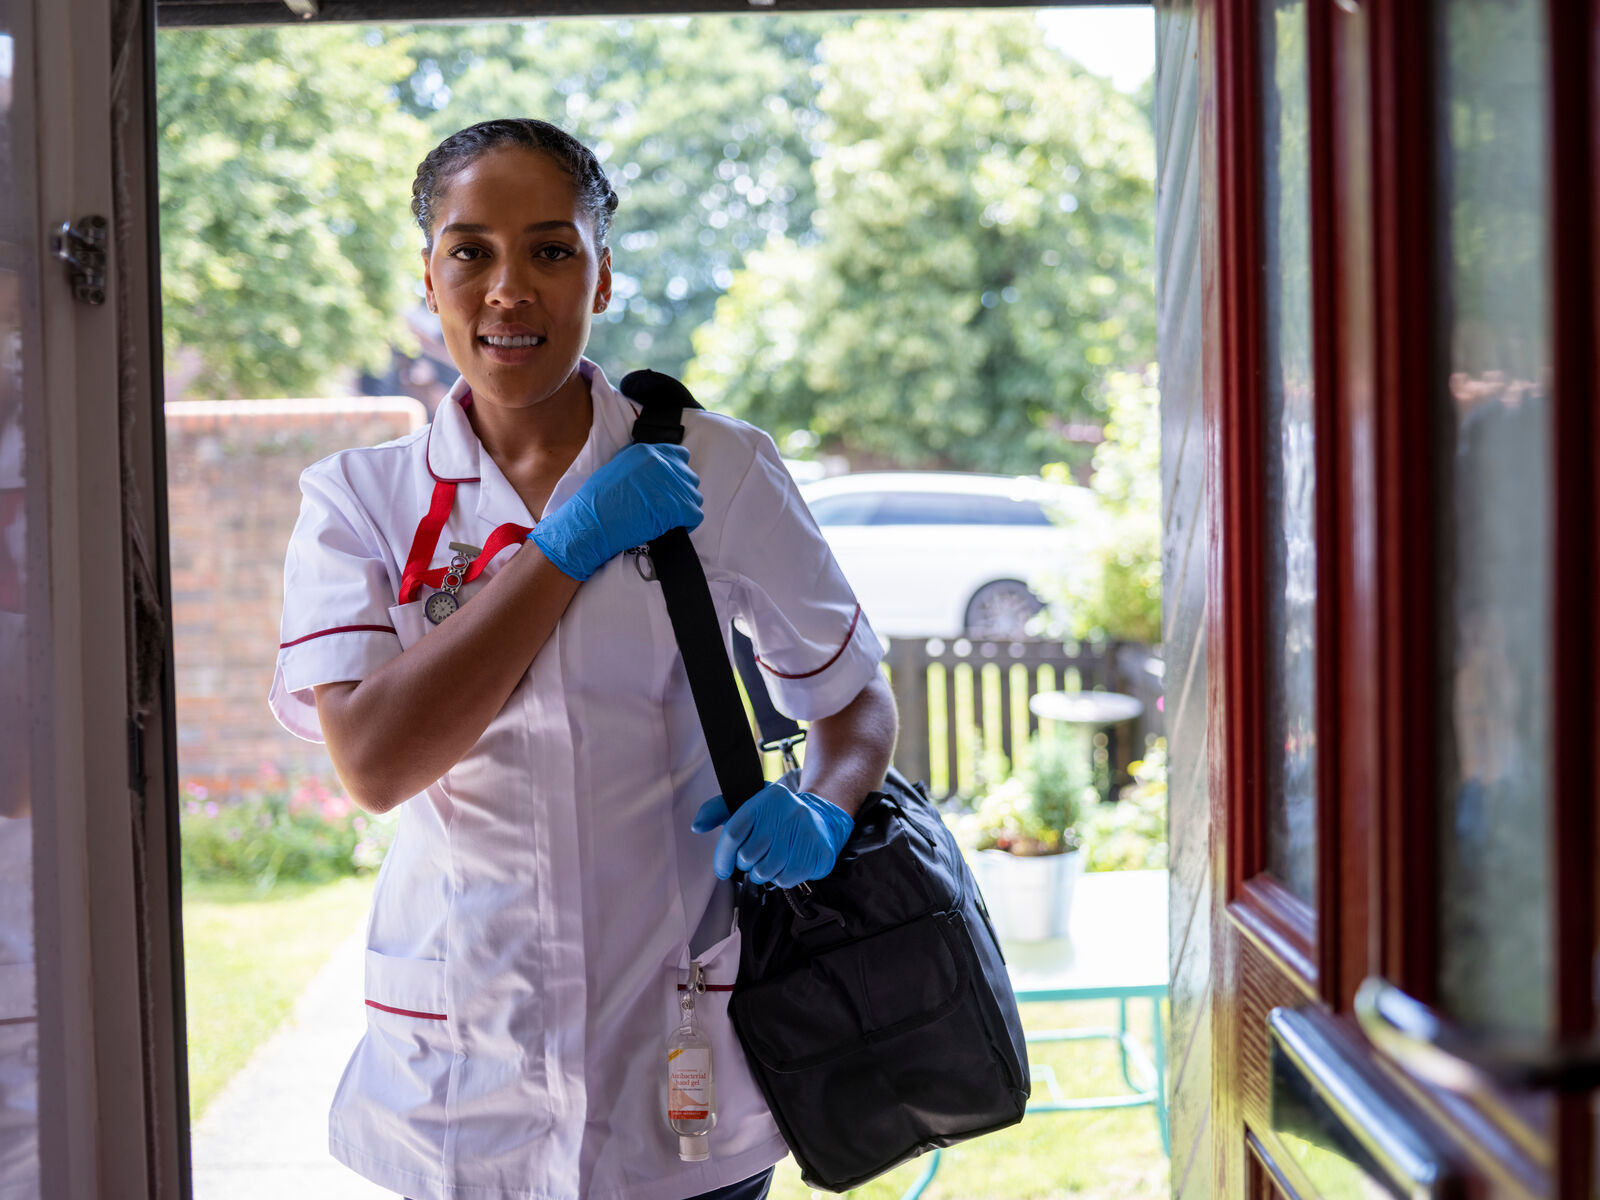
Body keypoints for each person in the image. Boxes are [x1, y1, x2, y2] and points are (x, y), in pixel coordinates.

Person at [268, 118, 896, 1200]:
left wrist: (828, 805)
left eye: (552, 251)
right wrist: (562, 552)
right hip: (459, 1089)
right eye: (471, 252)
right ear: (430, 278)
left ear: (601, 280)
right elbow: (373, 763)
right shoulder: (356, 506)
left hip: (680, 1064)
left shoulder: (720, 469)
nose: (509, 288)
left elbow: (854, 705)